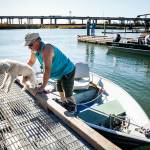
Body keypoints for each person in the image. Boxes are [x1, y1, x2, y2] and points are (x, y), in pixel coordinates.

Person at [24, 33, 76, 111]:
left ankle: (72, 108)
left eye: (31, 44)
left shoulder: (47, 49)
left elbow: (47, 69)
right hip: (58, 73)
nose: (29, 47)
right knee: (60, 87)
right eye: (28, 45)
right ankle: (63, 102)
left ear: (38, 41)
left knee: (67, 92)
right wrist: (22, 71)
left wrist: (42, 87)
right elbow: (31, 61)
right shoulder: (34, 50)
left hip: (67, 71)